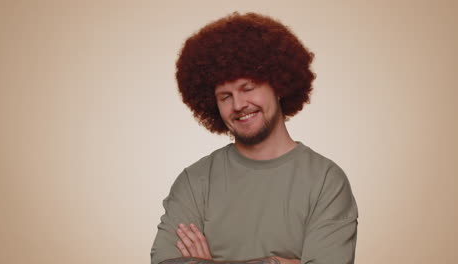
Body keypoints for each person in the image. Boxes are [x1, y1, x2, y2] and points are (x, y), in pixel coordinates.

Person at [151, 12, 358, 264]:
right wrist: (272, 262)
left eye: (248, 88)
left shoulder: (326, 181)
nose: (238, 104)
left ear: (278, 86)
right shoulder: (195, 183)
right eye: (225, 96)